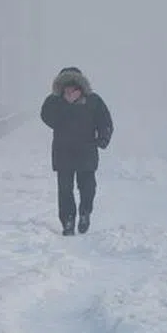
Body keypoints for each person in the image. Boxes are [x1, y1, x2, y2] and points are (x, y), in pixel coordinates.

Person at [39, 66, 114, 235]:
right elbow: (46, 116)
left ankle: (85, 212)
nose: (69, 90)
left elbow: (105, 121)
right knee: (65, 190)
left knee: (88, 187)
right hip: (63, 151)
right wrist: (63, 104)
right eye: (66, 86)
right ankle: (68, 221)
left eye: (73, 86)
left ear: (80, 86)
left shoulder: (94, 101)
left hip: (86, 151)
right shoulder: (55, 102)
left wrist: (103, 138)